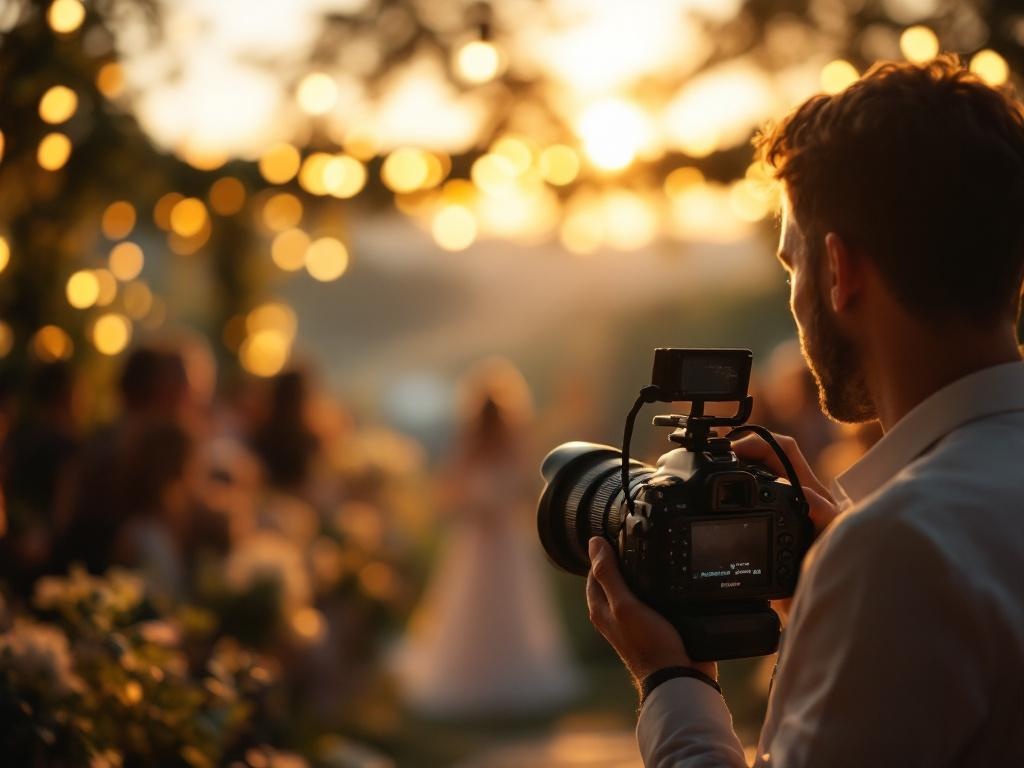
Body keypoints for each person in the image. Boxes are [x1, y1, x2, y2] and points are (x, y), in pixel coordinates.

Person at [585, 55, 1024, 766]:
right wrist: (823, 591)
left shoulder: (903, 549)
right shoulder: (892, 545)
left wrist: (671, 681)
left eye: (792, 265)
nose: (795, 296)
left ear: (840, 270)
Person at [392, 359, 579, 717]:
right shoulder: (468, 448)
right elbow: (447, 494)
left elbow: (529, 491)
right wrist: (478, 508)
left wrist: (500, 508)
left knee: (508, 608)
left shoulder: (516, 447)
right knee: (474, 609)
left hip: (505, 541)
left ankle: (506, 680)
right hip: (479, 541)